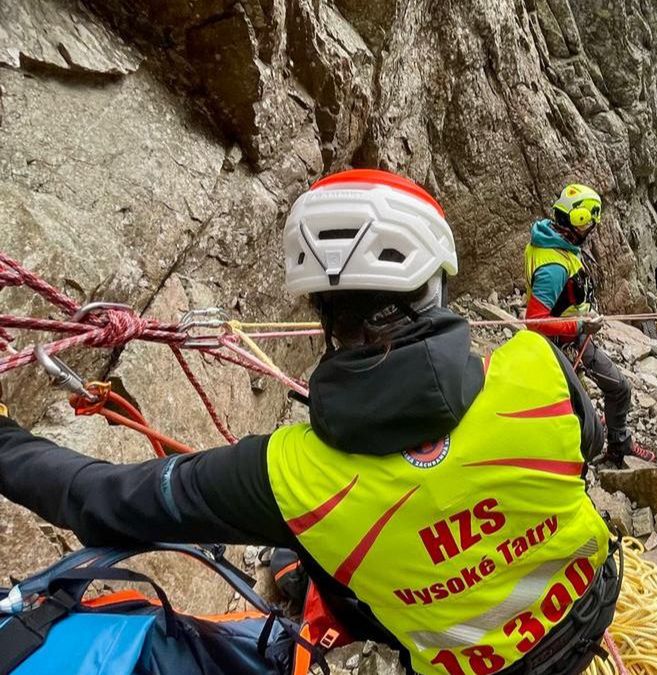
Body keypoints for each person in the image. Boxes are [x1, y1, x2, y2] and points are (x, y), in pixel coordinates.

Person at [0, 169, 621, 675]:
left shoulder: (286, 476)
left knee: (312, 556)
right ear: (434, 284)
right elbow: (578, 454)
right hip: (590, 612)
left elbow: (97, 499)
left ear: (321, 310)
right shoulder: (538, 373)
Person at [524, 183, 654, 464]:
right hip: (565, 342)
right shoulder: (554, 266)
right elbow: (534, 322)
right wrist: (580, 327)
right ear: (577, 221)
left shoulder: (552, 240)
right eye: (588, 223)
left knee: (581, 401)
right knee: (617, 390)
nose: (591, 229)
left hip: (569, 336)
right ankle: (611, 447)